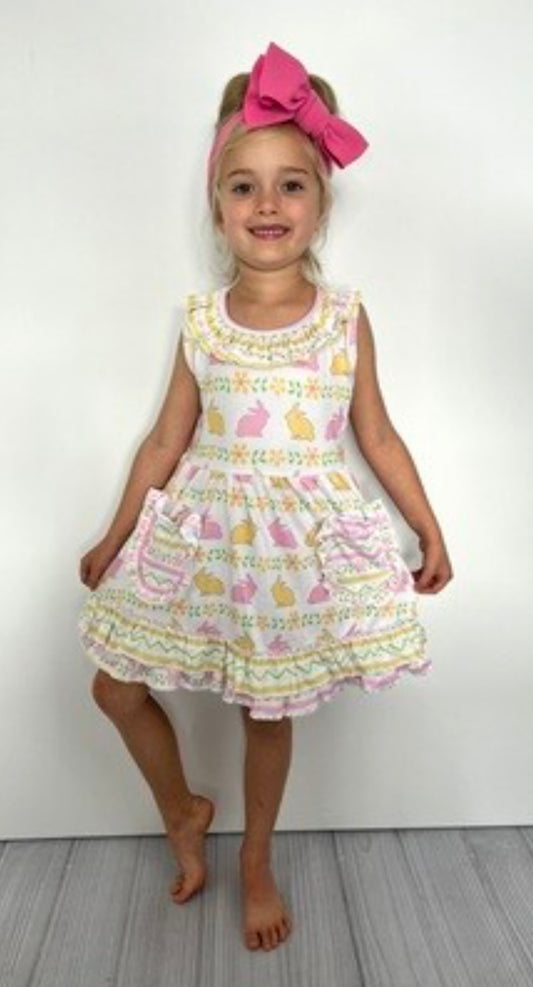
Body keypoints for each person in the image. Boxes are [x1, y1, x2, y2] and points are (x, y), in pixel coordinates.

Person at [78, 41, 453, 953]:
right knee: (113, 685)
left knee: (265, 709)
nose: (268, 205)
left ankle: (255, 858)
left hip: (290, 552)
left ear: (321, 203)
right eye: (244, 187)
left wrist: (426, 525)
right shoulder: (201, 321)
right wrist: (115, 534)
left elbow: (377, 434)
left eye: (291, 185)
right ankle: (182, 807)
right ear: (217, 207)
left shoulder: (343, 319)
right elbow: (165, 440)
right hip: (204, 536)